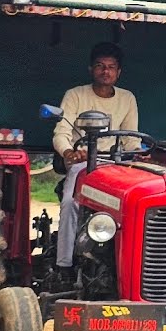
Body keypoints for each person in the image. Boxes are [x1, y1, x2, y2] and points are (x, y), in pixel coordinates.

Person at [52, 42, 140, 273]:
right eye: (100, 66)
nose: (105, 71)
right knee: (72, 202)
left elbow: (131, 139)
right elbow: (61, 133)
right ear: (91, 69)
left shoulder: (127, 98)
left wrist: (139, 156)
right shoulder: (75, 95)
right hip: (83, 162)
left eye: (111, 67)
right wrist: (69, 152)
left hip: (116, 164)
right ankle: (64, 264)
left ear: (118, 72)